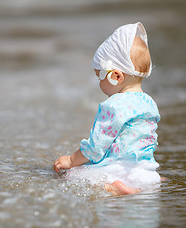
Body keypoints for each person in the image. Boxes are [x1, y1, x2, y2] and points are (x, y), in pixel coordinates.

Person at [53, 22, 161, 196]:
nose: (99, 82)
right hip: (147, 172)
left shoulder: (114, 105)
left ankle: (116, 188)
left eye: (99, 76)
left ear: (116, 76)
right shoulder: (149, 103)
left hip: (119, 171)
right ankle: (142, 186)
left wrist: (72, 160)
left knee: (72, 176)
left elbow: (96, 148)